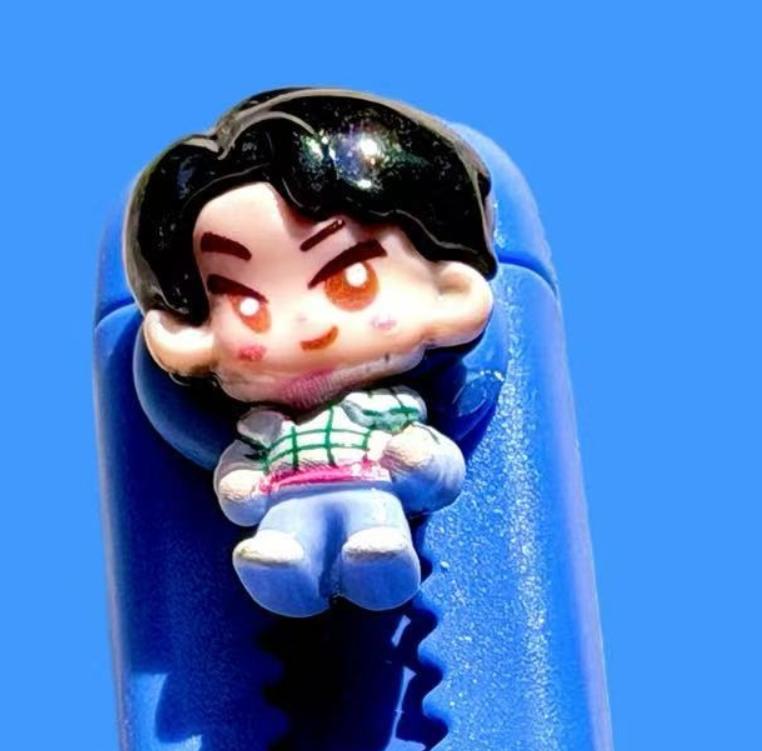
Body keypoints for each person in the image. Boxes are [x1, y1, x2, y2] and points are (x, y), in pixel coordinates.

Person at [125, 89, 497, 616]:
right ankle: (284, 571)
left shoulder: (384, 411)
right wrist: (241, 485)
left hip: (373, 494)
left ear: (450, 291)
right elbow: (240, 478)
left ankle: (379, 563)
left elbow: (437, 468)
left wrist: (420, 461)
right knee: (281, 547)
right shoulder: (264, 428)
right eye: (248, 305)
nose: (306, 327)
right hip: (287, 504)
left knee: (374, 539)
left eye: (350, 282)